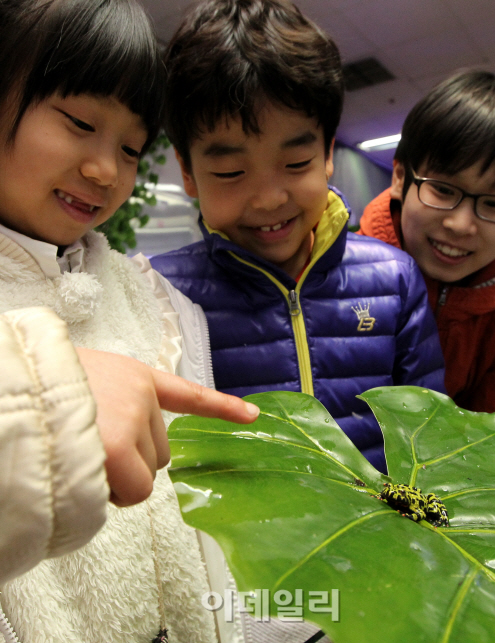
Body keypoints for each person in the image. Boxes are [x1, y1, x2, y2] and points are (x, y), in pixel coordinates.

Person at [0, 0, 259, 641]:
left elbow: (197, 525)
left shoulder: (151, 299)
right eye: (80, 122)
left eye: (131, 148)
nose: (105, 170)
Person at [151, 0, 445, 476]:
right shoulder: (161, 291)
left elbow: (431, 440)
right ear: (187, 172)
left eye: (295, 164)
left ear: (328, 154)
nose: (268, 199)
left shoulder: (393, 279)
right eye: (230, 171)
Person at [359, 70, 495, 426]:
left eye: (494, 203)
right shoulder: (334, 273)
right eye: (442, 189)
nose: (460, 225)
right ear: (399, 178)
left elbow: (493, 447)